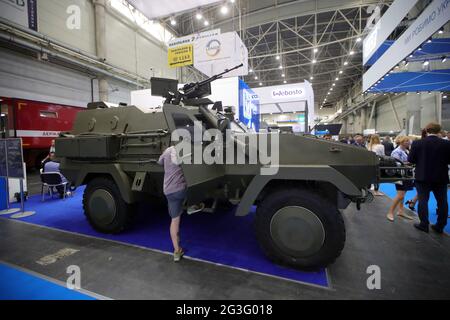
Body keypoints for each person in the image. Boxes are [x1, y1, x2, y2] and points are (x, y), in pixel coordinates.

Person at [158, 145, 204, 262]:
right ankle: (192, 206)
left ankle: (177, 251)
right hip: (180, 190)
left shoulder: (167, 151)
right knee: (196, 186)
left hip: (168, 191)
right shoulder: (182, 151)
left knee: (174, 220)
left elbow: (159, 162)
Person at [408, 123, 450, 234]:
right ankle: (440, 226)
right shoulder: (447, 144)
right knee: (442, 202)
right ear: (439, 131)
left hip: (422, 176)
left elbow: (411, 159)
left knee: (423, 200)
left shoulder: (417, 143)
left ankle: (424, 224)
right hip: (441, 177)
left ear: (427, 130)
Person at [387, 136, 414, 222]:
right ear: (401, 142)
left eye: (408, 141)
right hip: (400, 175)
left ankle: (401, 211)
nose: (408, 142)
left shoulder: (406, 150)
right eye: (406, 141)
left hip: (407, 174)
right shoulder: (396, 151)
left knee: (403, 195)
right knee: (400, 195)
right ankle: (390, 212)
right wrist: (409, 163)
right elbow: (396, 164)